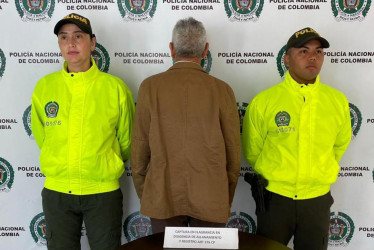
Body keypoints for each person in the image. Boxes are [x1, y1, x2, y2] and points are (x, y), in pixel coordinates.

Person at [31, 13, 135, 249]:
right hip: (57, 193)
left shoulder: (114, 88)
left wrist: (108, 161)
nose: (71, 43)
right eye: (64, 37)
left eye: (78, 36)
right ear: (59, 43)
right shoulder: (45, 87)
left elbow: (127, 140)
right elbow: (42, 136)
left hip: (102, 192)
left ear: (93, 43)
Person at [242, 27, 351, 250]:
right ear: (287, 59)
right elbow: (252, 150)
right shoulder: (264, 101)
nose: (313, 57)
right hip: (275, 200)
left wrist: (317, 172)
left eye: (318, 52)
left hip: (316, 200)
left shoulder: (337, 101)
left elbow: (339, 144)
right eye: (303, 51)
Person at [131, 17, 241, 234]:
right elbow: (233, 155)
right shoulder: (223, 90)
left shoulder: (149, 88)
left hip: (162, 197)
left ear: (172, 49)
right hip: (211, 197)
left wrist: (150, 195)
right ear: (205, 50)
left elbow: (139, 152)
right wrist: (223, 196)